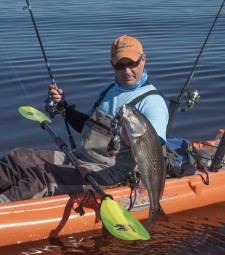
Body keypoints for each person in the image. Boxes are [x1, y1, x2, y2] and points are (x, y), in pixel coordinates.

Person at [0, 35, 168, 204]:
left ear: (143, 59)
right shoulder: (107, 91)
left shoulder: (152, 102)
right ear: (112, 65)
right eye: (120, 65)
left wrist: (130, 140)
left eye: (132, 63)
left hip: (111, 172)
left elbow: (154, 153)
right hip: (81, 158)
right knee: (18, 158)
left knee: (42, 176)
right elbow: (86, 127)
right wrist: (63, 107)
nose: (126, 71)